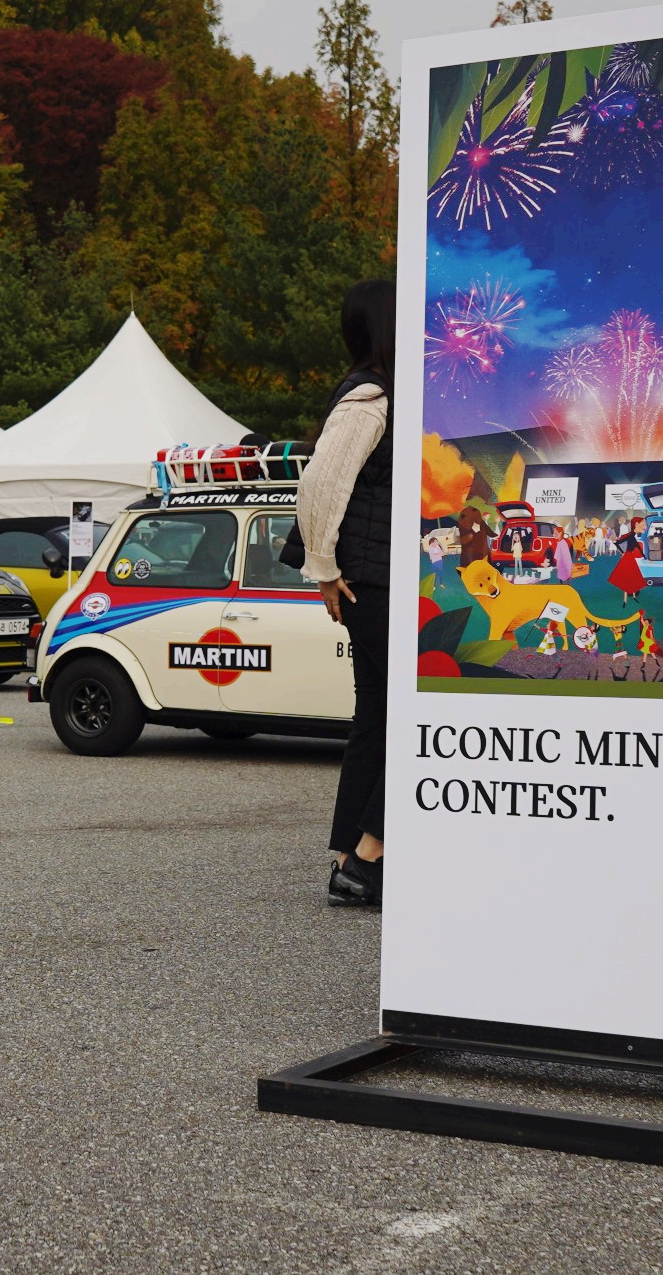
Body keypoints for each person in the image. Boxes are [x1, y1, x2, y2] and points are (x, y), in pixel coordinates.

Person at [299, 278, 394, 909]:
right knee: (397, 717)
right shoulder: (369, 400)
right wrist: (325, 568)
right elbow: (318, 487)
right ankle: (369, 855)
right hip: (374, 579)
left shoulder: (378, 395)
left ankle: (348, 853)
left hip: (370, 575)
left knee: (375, 716)